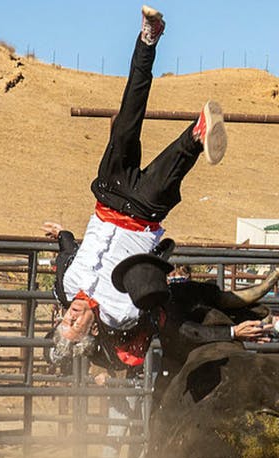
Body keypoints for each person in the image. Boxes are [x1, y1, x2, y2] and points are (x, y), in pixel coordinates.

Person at [43, 4, 228, 369]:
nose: (72, 316)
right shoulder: (120, 314)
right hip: (141, 216)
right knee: (175, 163)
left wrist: (61, 232)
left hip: (111, 193)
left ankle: (148, 38)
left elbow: (69, 251)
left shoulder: (66, 286)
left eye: (65, 320)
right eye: (75, 325)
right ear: (92, 331)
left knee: (128, 116)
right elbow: (152, 292)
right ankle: (199, 132)